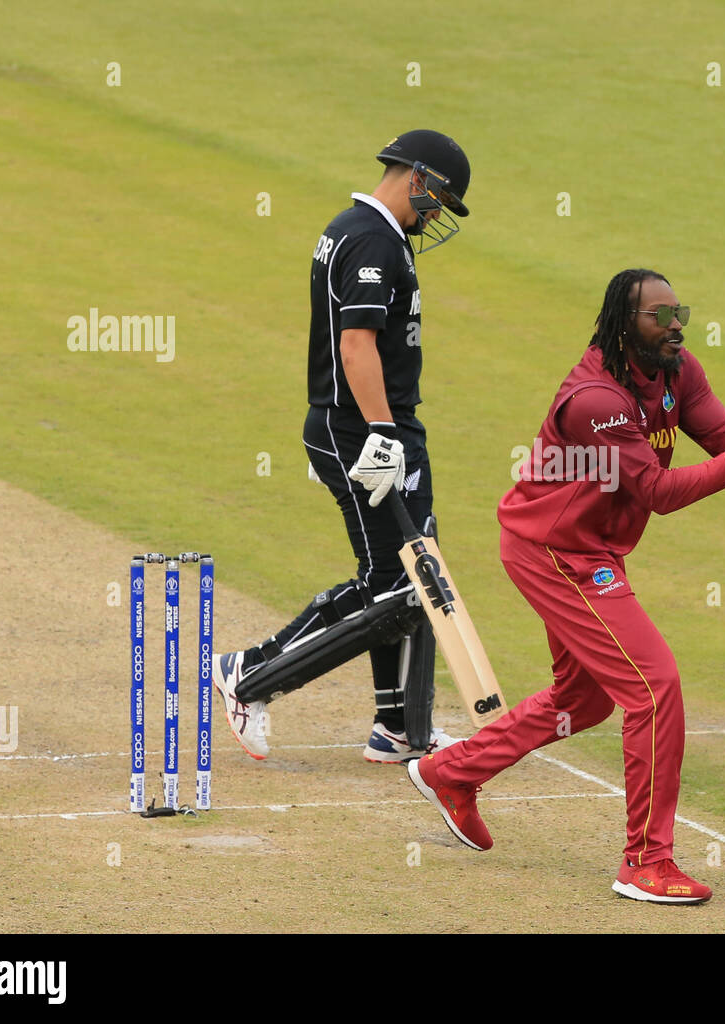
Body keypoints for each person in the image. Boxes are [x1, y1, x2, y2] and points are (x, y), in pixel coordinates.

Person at [407, 268, 725, 903]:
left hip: (589, 544)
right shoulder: (595, 401)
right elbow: (658, 492)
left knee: (589, 698)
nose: (676, 323)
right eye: (660, 315)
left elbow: (720, 437)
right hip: (553, 549)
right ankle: (646, 863)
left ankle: (451, 773)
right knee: (654, 687)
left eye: (678, 310)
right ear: (625, 325)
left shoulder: (676, 370)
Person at [211, 130, 473, 764]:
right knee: (395, 586)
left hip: (385, 426)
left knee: (410, 574)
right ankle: (249, 675)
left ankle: (399, 729)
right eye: (438, 196)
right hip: (361, 429)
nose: (436, 213)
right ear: (414, 175)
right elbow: (355, 345)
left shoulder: (362, 230)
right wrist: (381, 433)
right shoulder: (372, 239)